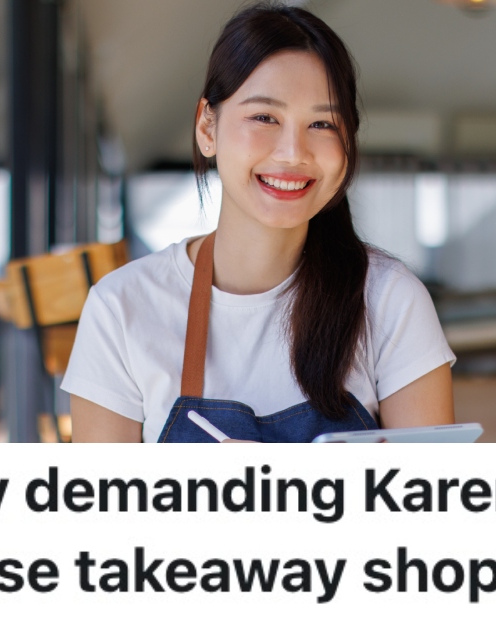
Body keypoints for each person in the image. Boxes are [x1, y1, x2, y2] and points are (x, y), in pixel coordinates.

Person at [62, 2, 455, 443]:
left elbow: (431, 502)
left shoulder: (390, 301)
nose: (293, 152)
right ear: (207, 128)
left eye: (322, 123)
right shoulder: (122, 310)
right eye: (264, 117)